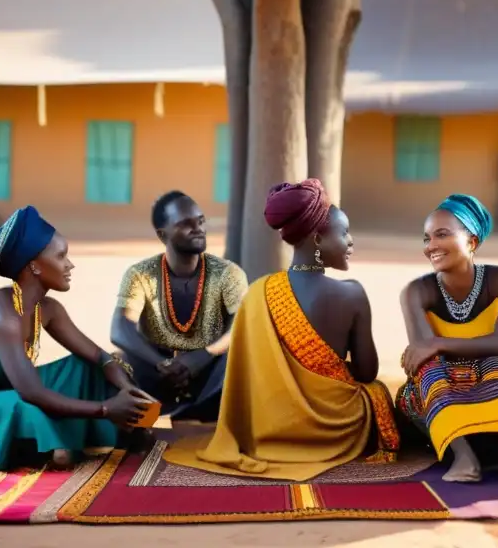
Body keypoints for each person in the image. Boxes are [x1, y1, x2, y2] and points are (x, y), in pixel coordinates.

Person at [163, 179, 400, 481]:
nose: (351, 241)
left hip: (268, 429)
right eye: (344, 233)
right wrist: (329, 373)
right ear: (316, 239)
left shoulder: (259, 291)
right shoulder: (352, 294)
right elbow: (367, 373)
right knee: (377, 392)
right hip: (338, 428)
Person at [0, 206, 153, 471]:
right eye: (61, 256)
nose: (70, 264)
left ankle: (108, 431)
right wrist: (105, 409)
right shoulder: (0, 314)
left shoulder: (48, 309)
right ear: (34, 266)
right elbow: (31, 392)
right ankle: (54, 445)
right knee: (19, 404)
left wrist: (123, 385)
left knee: (88, 367)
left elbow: (100, 358)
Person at [396, 194, 498, 485]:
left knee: (494, 360)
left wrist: (440, 342)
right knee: (429, 368)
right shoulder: (416, 292)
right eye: (427, 238)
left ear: (472, 241)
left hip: (497, 388)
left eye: (442, 234)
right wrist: (436, 348)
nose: (431, 245)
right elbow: (425, 356)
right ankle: (463, 456)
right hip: (438, 399)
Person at [111, 191, 247, 421]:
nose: (198, 228)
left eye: (201, 221)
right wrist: (162, 364)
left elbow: (242, 323)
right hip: (154, 374)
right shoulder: (141, 274)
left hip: (209, 376)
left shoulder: (227, 273)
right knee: (115, 362)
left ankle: (193, 411)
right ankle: (153, 412)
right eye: (186, 224)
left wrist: (203, 356)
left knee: (240, 359)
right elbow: (120, 329)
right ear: (163, 235)